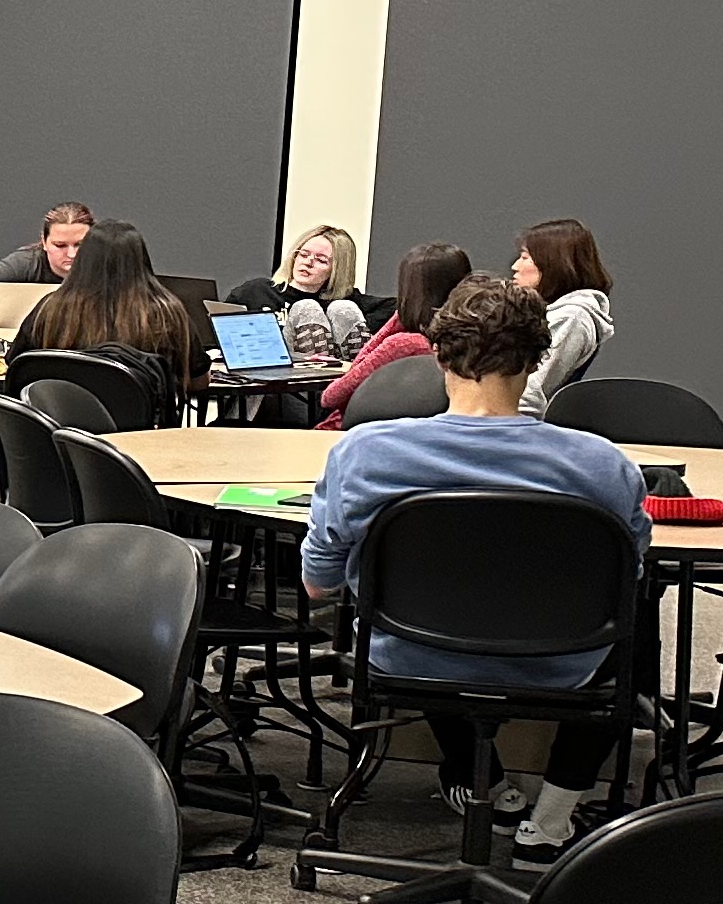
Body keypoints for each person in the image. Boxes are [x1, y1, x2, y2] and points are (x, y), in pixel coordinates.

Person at [300, 277, 648, 862]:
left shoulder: (365, 452)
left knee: (424, 615)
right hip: (562, 662)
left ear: (436, 352)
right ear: (540, 358)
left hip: (409, 655)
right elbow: (628, 573)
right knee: (634, 619)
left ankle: (475, 778)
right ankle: (553, 819)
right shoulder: (605, 465)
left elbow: (317, 585)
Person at [12, 216, 208, 395]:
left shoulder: (51, 308)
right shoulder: (167, 312)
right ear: (141, 259)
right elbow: (198, 380)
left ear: (84, 259)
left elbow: (18, 364)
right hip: (143, 430)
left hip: (62, 426)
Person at [320, 241, 467, 427]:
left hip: (354, 433)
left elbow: (331, 397)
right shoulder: (464, 340)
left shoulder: (404, 344)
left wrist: (404, 313)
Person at [512, 218, 616, 417]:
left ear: (552, 264)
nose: (516, 266)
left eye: (525, 257)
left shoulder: (571, 317)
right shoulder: (547, 313)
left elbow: (529, 394)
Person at [0, 201, 92, 318]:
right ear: (44, 242)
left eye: (80, 244)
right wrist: (28, 319)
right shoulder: (23, 264)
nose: (71, 254)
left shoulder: (108, 266)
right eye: (60, 245)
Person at [275, 225, 368, 358]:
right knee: (306, 308)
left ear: (336, 270)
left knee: (344, 307)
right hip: (283, 366)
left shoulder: (349, 300)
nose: (307, 263)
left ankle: (357, 376)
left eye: (321, 260)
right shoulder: (258, 291)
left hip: (341, 370)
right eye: (303, 254)